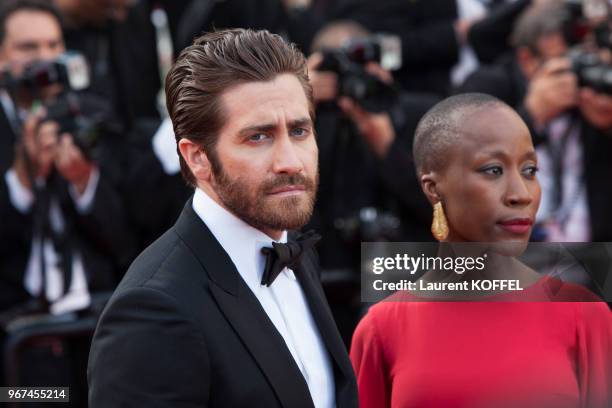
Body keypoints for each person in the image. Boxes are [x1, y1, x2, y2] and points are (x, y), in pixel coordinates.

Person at [88, 29, 358, 408]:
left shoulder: (294, 249)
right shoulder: (153, 310)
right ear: (197, 157)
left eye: (299, 131)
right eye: (258, 137)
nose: (290, 162)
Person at [350, 93, 612, 408]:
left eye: (530, 170)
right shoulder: (381, 329)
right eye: (492, 170)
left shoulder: (585, 316)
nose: (521, 194)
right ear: (433, 188)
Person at [0, 0, 136, 314]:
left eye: (53, 44)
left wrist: (84, 182)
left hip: (96, 309)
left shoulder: (91, 114)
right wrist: (21, 181)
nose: (45, 58)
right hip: (17, 316)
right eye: (28, 47)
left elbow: (126, 240)